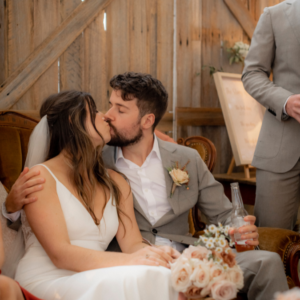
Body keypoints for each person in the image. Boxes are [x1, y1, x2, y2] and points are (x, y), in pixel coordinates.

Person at [5, 73, 288, 300]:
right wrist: (10, 208)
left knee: (265, 262)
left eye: (119, 109)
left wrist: (234, 230)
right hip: (109, 266)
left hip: (174, 255)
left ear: (147, 120)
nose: (108, 116)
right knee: (155, 279)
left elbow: (222, 216)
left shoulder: (181, 160)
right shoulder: (90, 163)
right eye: (106, 107)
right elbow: (60, 245)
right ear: (75, 124)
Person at [11, 90, 181, 300]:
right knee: (138, 278)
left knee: (162, 275)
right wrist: (133, 261)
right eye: (95, 111)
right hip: (49, 278)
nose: (105, 116)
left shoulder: (116, 182)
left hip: (97, 273)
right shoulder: (41, 178)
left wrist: (158, 254)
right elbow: (60, 255)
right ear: (74, 121)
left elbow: (133, 244)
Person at [242, 0, 300, 230]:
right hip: (279, 150)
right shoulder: (274, 14)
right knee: (270, 244)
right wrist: (286, 102)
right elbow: (252, 73)